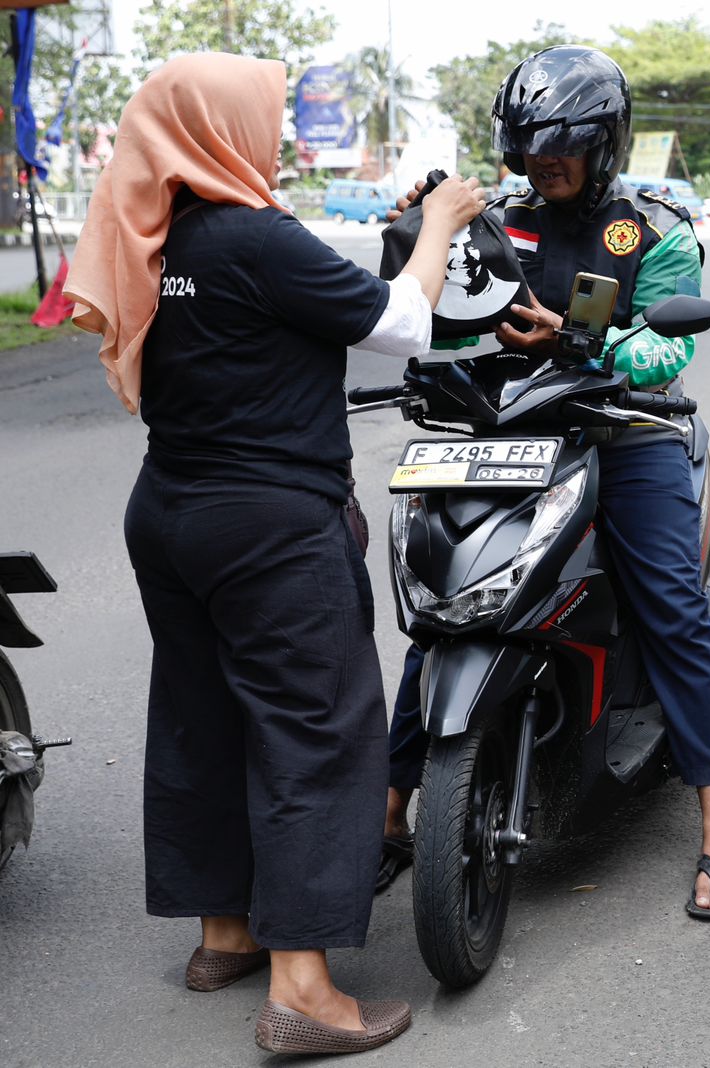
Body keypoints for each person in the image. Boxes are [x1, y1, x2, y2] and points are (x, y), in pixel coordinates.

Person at [64, 53, 484, 1055]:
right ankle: (305, 989)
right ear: (221, 129)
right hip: (269, 526)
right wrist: (436, 228)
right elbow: (404, 325)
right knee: (316, 733)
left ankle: (227, 931)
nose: (283, 130)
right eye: (271, 113)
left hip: (168, 511)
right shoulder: (257, 236)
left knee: (204, 718)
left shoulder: (158, 235)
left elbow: (289, 309)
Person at [378, 45, 710, 919]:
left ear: (605, 144)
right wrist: (416, 231)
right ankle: (390, 813)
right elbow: (429, 296)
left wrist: (585, 343)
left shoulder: (652, 227)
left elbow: (670, 347)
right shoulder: (497, 213)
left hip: (627, 432)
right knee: (444, 602)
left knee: (671, 604)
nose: (541, 164)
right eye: (528, 147)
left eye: (563, 148)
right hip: (507, 431)